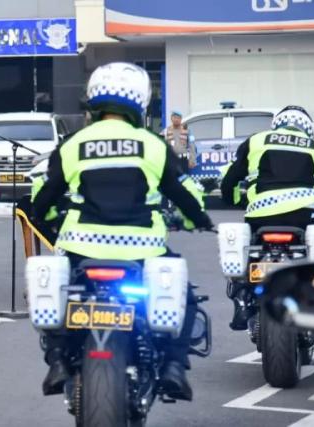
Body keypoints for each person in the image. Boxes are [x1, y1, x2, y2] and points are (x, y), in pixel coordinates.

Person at [32, 62, 213, 401]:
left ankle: (57, 361)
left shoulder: (73, 145)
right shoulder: (152, 145)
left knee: (58, 293)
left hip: (82, 248)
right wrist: (198, 221)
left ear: (95, 102)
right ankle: (174, 367)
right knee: (183, 294)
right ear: (139, 104)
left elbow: (42, 202)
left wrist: (53, 220)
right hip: (142, 250)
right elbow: (181, 195)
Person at [221, 105, 314, 329]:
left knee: (245, 255)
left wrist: (235, 199)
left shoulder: (256, 141)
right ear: (308, 129)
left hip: (260, 217)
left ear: (276, 125)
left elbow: (230, 178)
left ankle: (242, 299)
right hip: (304, 218)